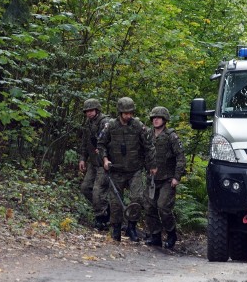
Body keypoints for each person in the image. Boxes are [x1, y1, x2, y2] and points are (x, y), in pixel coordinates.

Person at [97, 97, 156, 242]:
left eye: (131, 113)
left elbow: (149, 146)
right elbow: (101, 144)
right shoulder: (110, 126)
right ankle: (116, 228)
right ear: (120, 113)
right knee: (116, 202)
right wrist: (105, 159)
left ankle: (131, 227)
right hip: (116, 170)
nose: (129, 116)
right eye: (126, 113)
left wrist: (152, 166)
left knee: (137, 198)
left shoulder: (137, 126)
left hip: (134, 170)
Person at [144, 106, 186, 249]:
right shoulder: (148, 135)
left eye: (159, 118)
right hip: (152, 179)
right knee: (149, 207)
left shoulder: (171, 136)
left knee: (163, 207)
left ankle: (171, 233)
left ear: (164, 120)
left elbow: (180, 157)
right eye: (154, 118)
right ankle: (155, 236)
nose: (155, 120)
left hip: (168, 179)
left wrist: (177, 177)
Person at [78, 98, 110, 230]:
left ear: (97, 110)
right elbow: (85, 143)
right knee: (85, 188)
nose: (89, 113)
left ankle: (101, 218)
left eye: (91, 110)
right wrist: (82, 158)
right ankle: (105, 209)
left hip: (103, 163)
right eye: (87, 111)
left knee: (98, 191)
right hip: (92, 162)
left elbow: (111, 142)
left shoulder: (105, 122)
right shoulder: (88, 124)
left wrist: (105, 154)